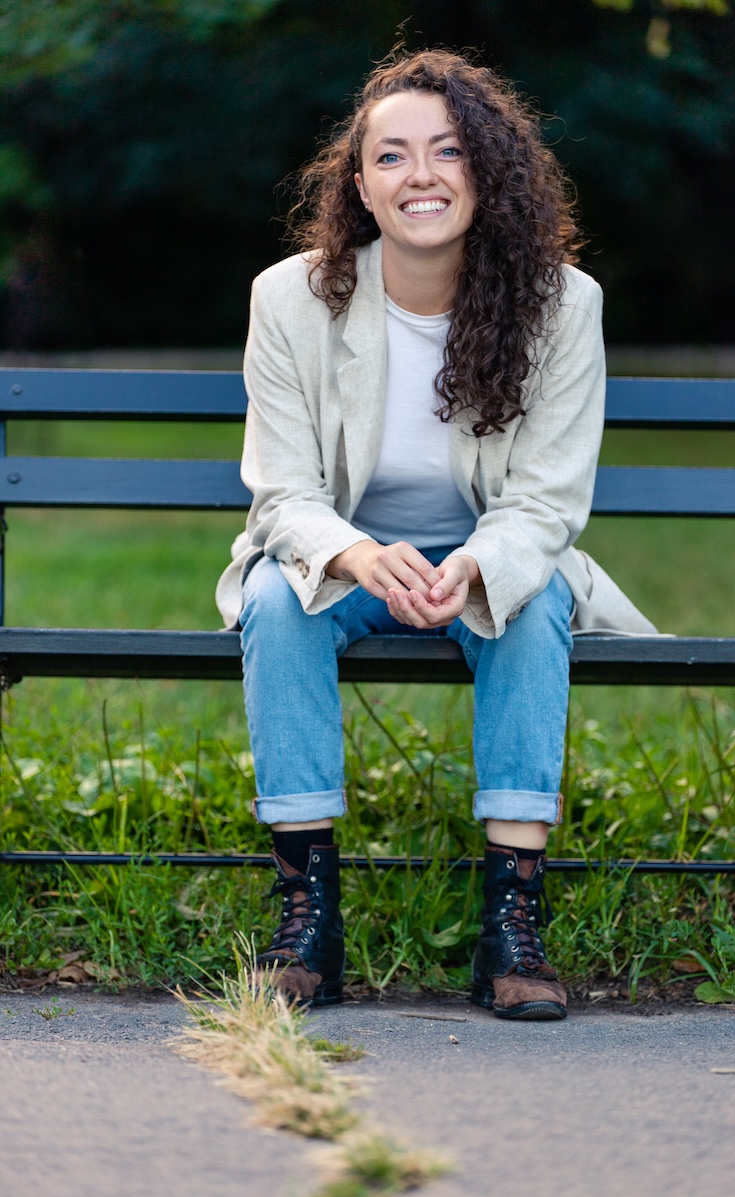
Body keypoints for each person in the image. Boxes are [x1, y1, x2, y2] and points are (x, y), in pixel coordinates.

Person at [216, 49, 655, 1021]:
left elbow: (543, 503)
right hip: (344, 558)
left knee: (531, 597)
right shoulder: (289, 298)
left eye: (446, 150)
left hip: (483, 558)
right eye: (391, 157)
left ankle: (510, 920)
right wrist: (358, 554)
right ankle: (307, 917)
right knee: (271, 599)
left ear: (484, 170)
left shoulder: (559, 304)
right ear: (360, 185)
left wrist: (471, 566)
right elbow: (282, 495)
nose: (419, 175)